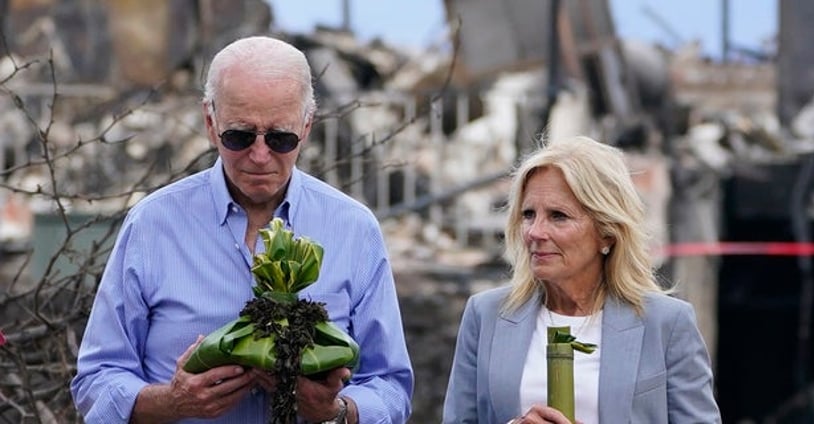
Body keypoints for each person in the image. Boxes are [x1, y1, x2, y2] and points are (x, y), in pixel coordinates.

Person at [71, 36, 413, 423]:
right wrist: (172, 401)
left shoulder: (354, 229)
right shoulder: (152, 224)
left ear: (307, 125)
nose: (260, 155)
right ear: (210, 123)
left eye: (281, 138)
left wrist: (336, 412)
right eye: (240, 136)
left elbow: (390, 388)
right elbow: (95, 380)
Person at [442, 136, 720, 423]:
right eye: (528, 214)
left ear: (607, 233)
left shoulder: (667, 324)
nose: (535, 232)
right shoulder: (485, 315)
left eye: (558, 216)